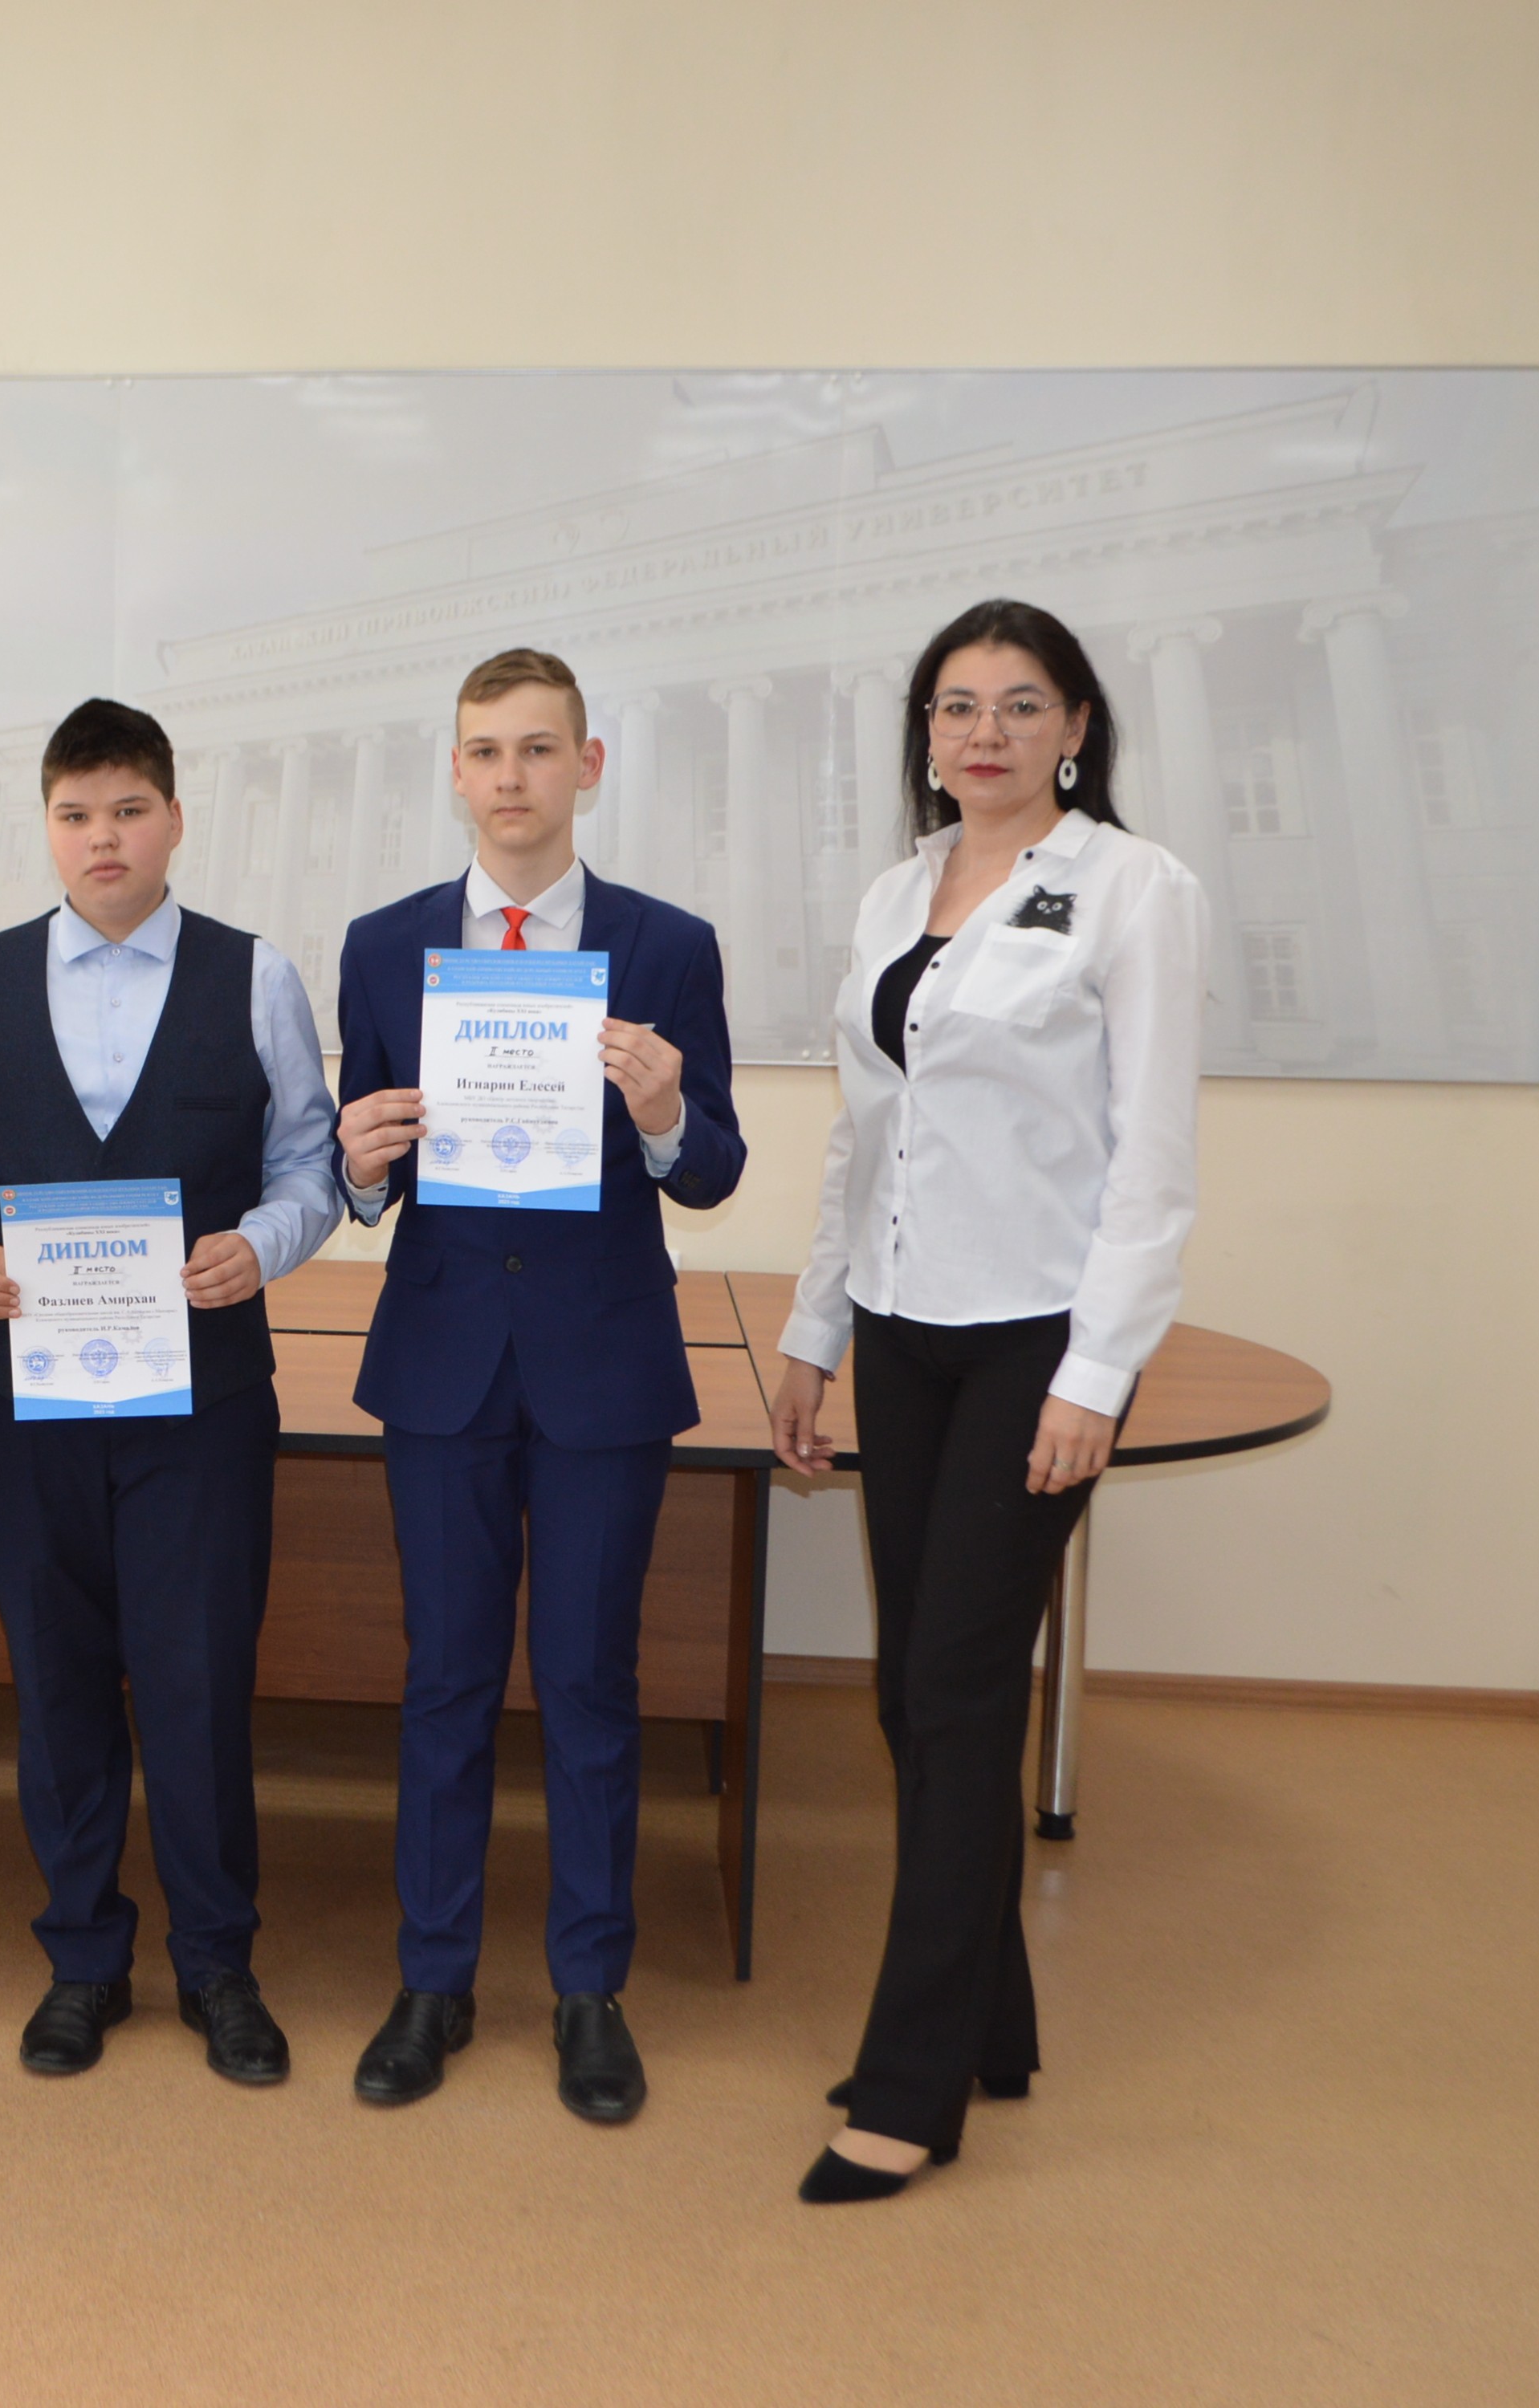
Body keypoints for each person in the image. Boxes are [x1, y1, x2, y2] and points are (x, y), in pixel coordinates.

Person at [769, 598, 1204, 2203]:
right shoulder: (901, 890)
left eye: (1022, 705)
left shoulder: (1135, 889)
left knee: (954, 1696)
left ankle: (910, 2088)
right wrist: (814, 1331)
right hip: (904, 1329)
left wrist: (1099, 1374)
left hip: (1037, 1341)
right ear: (927, 733)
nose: (986, 733)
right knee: (915, 1693)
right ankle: (991, 2027)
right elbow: (863, 1136)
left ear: (1077, 727)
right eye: (957, 706)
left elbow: (1153, 1162)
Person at [0, 698, 341, 2086]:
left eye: (129, 811)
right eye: (76, 814)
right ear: (47, 827)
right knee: (59, 1682)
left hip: (200, 1401)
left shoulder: (255, 976)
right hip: (18, 1397)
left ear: (174, 820)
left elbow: (312, 1160)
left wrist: (262, 1244)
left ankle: (218, 1964)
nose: (104, 838)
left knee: (198, 1684)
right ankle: (82, 1961)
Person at [331, 647, 744, 2125]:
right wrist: (355, 1165)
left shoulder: (667, 944)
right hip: (443, 1364)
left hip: (601, 1369)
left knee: (587, 1683)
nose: (511, 776)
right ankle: (432, 1981)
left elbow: (713, 1169)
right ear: (456, 773)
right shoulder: (385, 945)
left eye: (538, 748)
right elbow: (365, 1169)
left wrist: (664, 1112)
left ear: (588, 766)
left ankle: (589, 1990)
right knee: (443, 1680)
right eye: (485, 751)